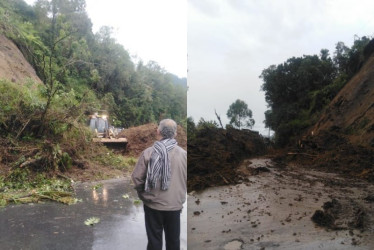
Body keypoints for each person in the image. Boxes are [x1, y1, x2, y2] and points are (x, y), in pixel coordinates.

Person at [131, 119, 187, 250]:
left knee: (154, 242)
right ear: (175, 134)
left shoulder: (149, 153)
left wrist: (144, 195)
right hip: (174, 206)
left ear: (158, 132)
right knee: (173, 242)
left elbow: (136, 178)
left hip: (153, 206)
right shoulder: (184, 155)